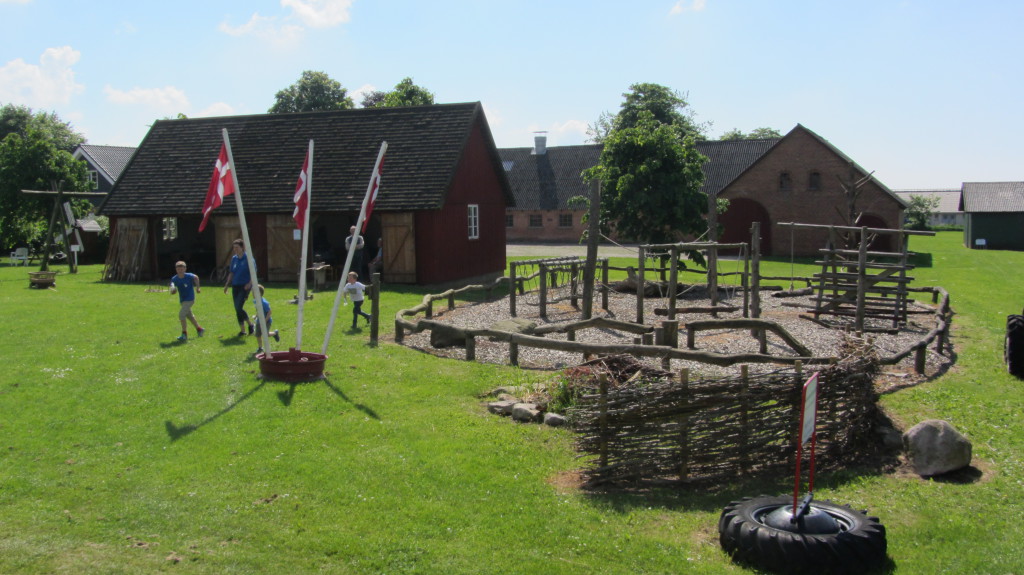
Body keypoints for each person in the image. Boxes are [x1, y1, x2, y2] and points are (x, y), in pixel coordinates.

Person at [223, 239, 255, 337]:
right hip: (235, 285)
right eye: (234, 248)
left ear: (242, 248)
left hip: (244, 286)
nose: (235, 249)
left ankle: (250, 325)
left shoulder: (248, 258)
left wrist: (249, 283)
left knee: (238, 307)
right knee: (237, 308)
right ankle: (243, 330)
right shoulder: (234, 258)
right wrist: (227, 284)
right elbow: (232, 272)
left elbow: (254, 272)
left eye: (237, 247)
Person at [169, 261, 204, 342]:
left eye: (182, 269)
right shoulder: (174, 279)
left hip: (190, 299)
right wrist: (173, 290)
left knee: (181, 315)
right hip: (183, 300)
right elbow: (173, 290)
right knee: (190, 316)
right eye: (178, 269)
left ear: (185, 269)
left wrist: (198, 287)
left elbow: (196, 277)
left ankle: (184, 334)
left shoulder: (189, 276)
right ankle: (200, 329)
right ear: (176, 269)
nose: (180, 271)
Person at [252, 285, 280, 353]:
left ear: (259, 293)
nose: (252, 293)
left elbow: (269, 312)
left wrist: (265, 320)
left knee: (265, 334)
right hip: (259, 321)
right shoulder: (255, 301)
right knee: (258, 334)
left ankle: (275, 333)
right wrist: (256, 316)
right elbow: (259, 310)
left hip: (267, 321)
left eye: (253, 292)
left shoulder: (264, 303)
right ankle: (260, 348)